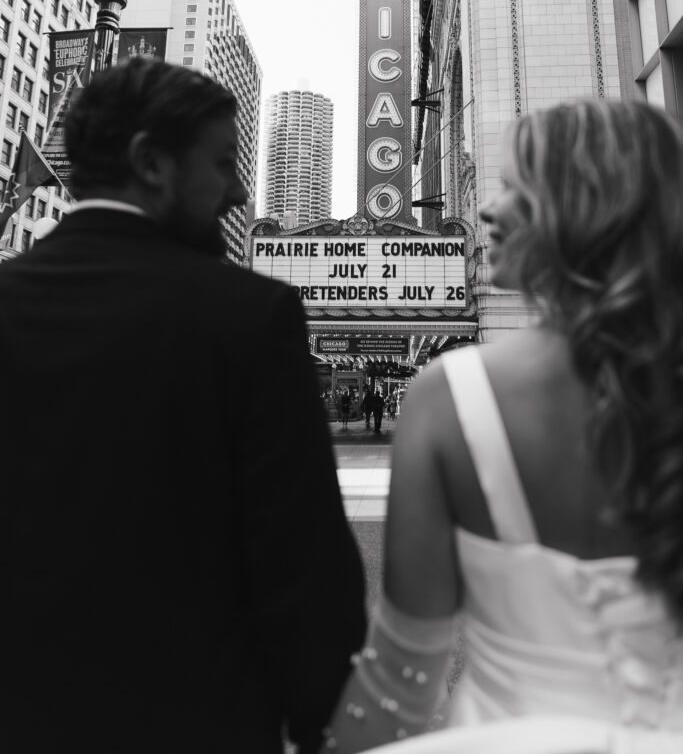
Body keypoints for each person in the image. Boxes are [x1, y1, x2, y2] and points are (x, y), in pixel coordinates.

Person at [1, 58, 366, 754]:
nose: (235, 192)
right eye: (224, 162)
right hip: (195, 724)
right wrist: (322, 722)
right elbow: (302, 566)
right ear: (151, 164)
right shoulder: (249, 317)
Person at [324, 100, 683, 752]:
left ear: (586, 210)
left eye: (517, 189)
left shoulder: (452, 396)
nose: (488, 210)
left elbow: (403, 677)